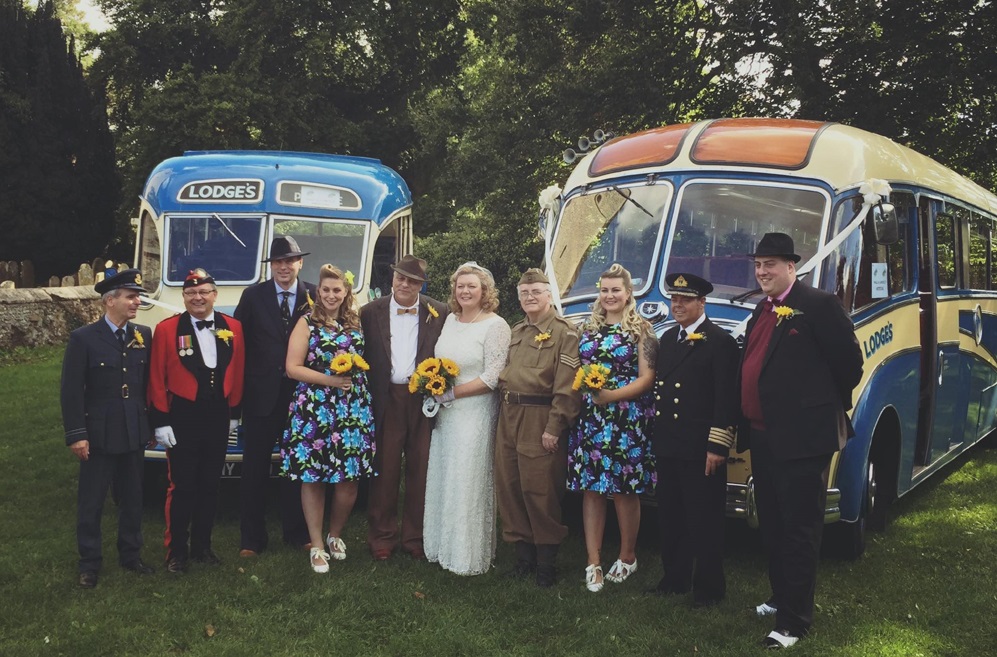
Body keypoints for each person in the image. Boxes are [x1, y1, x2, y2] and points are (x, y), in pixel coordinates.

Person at [738, 233, 863, 649]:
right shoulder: (763, 307)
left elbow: (849, 365)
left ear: (792, 266)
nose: (762, 272)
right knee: (771, 522)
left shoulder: (819, 305)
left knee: (799, 528)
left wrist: (815, 406)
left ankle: (794, 622)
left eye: (770, 264)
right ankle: (780, 596)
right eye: (758, 265)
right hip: (763, 435)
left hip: (803, 439)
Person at [60, 269, 156, 588]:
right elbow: (72, 391)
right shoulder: (84, 338)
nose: (137, 302)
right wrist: (77, 434)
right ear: (110, 301)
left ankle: (130, 554)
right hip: (99, 432)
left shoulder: (142, 334)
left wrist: (151, 426)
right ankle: (89, 561)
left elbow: (148, 386)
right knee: (92, 499)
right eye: (131, 296)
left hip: (133, 428)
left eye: (137, 296)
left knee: (132, 496)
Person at [567, 263, 657, 592]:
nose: (609, 296)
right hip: (590, 419)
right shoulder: (586, 329)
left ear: (628, 293)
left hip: (626, 417)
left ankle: (628, 557)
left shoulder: (642, 330)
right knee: (591, 489)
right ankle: (593, 561)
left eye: (615, 290)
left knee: (623, 490)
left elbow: (648, 378)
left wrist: (611, 396)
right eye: (604, 290)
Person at [148, 269, 245, 573]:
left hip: (218, 414)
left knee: (210, 484)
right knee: (182, 485)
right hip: (183, 416)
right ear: (184, 297)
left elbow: (238, 372)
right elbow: (156, 378)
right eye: (191, 293)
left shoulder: (234, 328)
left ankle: (203, 546)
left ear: (215, 295)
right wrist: (161, 420)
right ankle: (176, 551)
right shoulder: (166, 330)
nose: (198, 298)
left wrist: (234, 415)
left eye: (204, 292)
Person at [650, 272, 739, 606]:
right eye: (674, 299)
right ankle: (674, 578)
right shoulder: (669, 338)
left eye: (685, 300)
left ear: (702, 303)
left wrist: (717, 446)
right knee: (671, 516)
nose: (678, 305)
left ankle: (709, 588)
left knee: (704, 520)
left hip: (701, 447)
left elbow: (725, 399)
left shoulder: (720, 341)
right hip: (670, 444)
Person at [281, 265, 376, 573]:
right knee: (314, 477)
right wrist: (330, 381)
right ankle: (316, 545)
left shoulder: (355, 322)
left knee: (349, 478)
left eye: (338, 290)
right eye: (326, 290)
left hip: (353, 410)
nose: (332, 295)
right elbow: (292, 367)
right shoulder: (306, 322)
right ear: (318, 292)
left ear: (346, 292)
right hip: (315, 409)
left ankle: (335, 535)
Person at [494, 268, 582, 587]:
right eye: (524, 293)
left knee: (540, 489)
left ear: (549, 296)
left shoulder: (565, 332)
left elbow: (568, 386)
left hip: (539, 417)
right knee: (511, 485)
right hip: (509, 415)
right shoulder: (517, 331)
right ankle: (523, 558)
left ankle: (546, 563)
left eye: (536, 292)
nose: (530, 298)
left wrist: (554, 427)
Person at [423, 262, 511, 575]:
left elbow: (493, 375)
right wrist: (434, 384)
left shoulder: (496, 325)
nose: (465, 291)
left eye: (472, 286)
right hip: (446, 415)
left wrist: (452, 394)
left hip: (475, 413)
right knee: (447, 475)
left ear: (485, 290)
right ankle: (440, 545)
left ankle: (468, 554)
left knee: (468, 478)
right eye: (461, 286)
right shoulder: (449, 320)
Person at [361, 255, 449, 560]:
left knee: (421, 469)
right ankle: (382, 537)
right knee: (384, 471)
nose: (405, 284)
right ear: (393, 278)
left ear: (421, 285)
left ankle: (416, 538)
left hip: (423, 401)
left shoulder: (439, 312)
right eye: (401, 278)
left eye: (412, 281)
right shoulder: (370, 312)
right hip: (386, 398)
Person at [235, 236, 313, 557]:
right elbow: (239, 344)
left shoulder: (313, 296)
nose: (284, 267)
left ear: (300, 263)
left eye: (290, 260)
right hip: (260, 395)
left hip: (300, 396)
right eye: (278, 262)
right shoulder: (253, 296)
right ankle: (251, 539)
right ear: (271, 266)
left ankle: (296, 532)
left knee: (296, 467)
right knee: (254, 468)